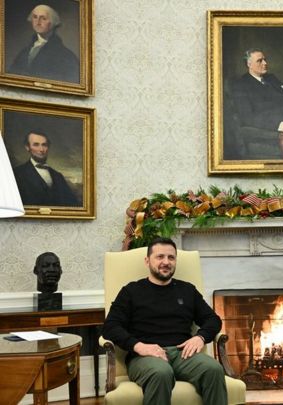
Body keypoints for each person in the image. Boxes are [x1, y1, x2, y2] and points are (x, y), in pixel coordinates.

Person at [102, 237, 227, 405]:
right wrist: (139, 346)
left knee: (214, 369)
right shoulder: (131, 291)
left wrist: (200, 337)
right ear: (147, 261)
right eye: (160, 257)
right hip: (144, 357)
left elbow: (213, 319)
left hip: (183, 354)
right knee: (161, 373)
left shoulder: (187, 290)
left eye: (171, 257)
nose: (166, 262)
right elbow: (110, 326)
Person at [7, 4, 80, 83]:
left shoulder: (66, 56)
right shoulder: (24, 52)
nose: (38, 22)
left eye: (43, 18)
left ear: (53, 22)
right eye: (35, 17)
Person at [13, 130, 80, 207]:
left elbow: (72, 204)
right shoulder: (17, 174)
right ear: (27, 147)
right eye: (36, 145)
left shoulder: (58, 176)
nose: (41, 149)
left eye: (44, 145)